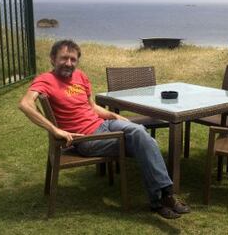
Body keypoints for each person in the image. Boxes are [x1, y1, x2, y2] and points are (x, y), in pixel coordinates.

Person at [18, 39, 190, 219]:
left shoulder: (80, 76)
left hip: (104, 125)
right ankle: (163, 198)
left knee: (140, 133)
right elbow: (25, 104)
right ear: (53, 59)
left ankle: (162, 198)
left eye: (73, 59)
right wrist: (54, 129)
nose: (69, 63)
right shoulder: (46, 80)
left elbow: (91, 107)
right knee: (146, 141)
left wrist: (114, 116)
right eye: (64, 58)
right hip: (86, 139)